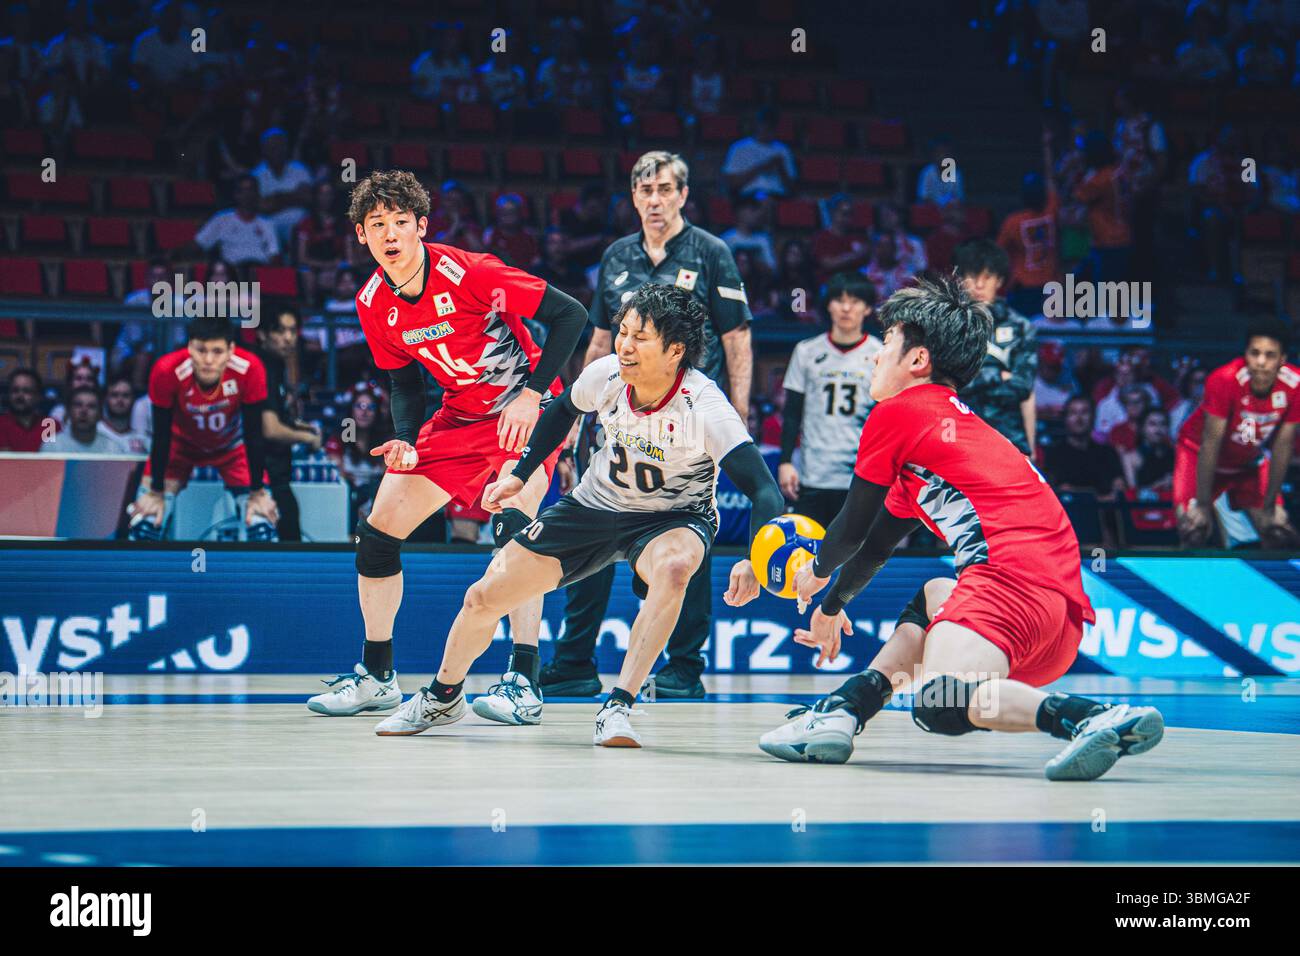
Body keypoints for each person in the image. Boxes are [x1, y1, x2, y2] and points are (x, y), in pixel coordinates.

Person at [756, 276, 1164, 781]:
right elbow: (877, 545)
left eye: (885, 345)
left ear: (918, 360)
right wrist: (833, 606)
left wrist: (814, 574)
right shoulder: (948, 436)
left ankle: (1090, 717)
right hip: (1057, 621)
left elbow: (849, 529)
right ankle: (841, 713)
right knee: (931, 596)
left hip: (1007, 588)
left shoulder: (900, 412)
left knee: (939, 703)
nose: (874, 358)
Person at [373, 285, 783, 747]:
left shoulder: (704, 407)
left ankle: (618, 706)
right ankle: (444, 695)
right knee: (482, 598)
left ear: (675, 351)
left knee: (674, 568)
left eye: (640, 337)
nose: (624, 345)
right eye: (622, 332)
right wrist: (521, 473)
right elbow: (560, 411)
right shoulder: (606, 374)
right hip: (594, 505)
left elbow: (764, 490)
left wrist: (754, 557)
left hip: (673, 516)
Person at [305, 170, 587, 722]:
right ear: (361, 235)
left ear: (421, 227)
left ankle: (523, 681)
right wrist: (406, 440)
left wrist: (532, 395)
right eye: (377, 224)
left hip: (525, 412)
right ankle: (378, 676)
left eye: (401, 223)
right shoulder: (371, 302)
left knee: (515, 535)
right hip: (458, 418)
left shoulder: (472, 273)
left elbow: (570, 314)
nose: (390, 234)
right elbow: (404, 382)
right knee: (377, 533)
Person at [539, 151, 754, 701]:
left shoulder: (712, 253)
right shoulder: (615, 256)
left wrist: (739, 419)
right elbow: (600, 341)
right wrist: (574, 428)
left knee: (686, 542)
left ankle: (683, 668)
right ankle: (573, 663)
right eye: (644, 191)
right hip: (617, 418)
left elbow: (737, 341)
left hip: (687, 427)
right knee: (591, 520)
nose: (654, 200)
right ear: (633, 197)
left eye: (664, 190)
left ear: (683, 194)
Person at [127, 316, 278, 541]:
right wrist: (156, 491)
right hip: (180, 446)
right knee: (146, 522)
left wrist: (257, 492)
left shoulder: (250, 368)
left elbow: (254, 434)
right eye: (201, 350)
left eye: (217, 351)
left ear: (230, 350)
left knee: (261, 523)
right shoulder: (166, 370)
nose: (208, 360)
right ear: (189, 348)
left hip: (232, 447)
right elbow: (161, 434)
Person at [1175, 318, 1300, 549]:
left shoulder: (1295, 385)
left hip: (1247, 460)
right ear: (1245, 355)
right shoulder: (1224, 379)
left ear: (1282, 360)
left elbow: (1283, 446)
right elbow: (1211, 444)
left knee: (1279, 533)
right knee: (1194, 530)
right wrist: (1202, 505)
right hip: (1198, 454)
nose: (1261, 362)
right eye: (1255, 353)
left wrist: (1271, 505)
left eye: (1270, 355)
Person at [779, 273, 882, 527]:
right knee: (803, 555)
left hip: (860, 476)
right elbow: (792, 412)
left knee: (855, 559)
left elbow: (888, 419)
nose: (846, 308)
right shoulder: (806, 351)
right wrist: (784, 462)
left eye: (855, 301)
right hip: (812, 474)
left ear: (868, 308)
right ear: (828, 305)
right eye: (839, 300)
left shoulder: (880, 354)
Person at [954, 239, 1038, 456]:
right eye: (972, 277)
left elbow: (1024, 387)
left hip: (1009, 437)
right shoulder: (948, 326)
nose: (979, 286)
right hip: (958, 435)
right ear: (960, 280)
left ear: (999, 280)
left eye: (987, 277)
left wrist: (1031, 447)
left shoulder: (1021, 327)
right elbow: (951, 384)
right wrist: (1000, 375)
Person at [254, 308, 322, 541]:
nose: (288, 337)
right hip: (263, 478)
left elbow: (273, 417)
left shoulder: (275, 364)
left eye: (292, 331)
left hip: (272, 475)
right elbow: (270, 429)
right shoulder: (262, 367)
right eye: (280, 330)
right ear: (262, 334)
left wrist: (299, 426)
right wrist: (308, 438)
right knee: (288, 539)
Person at [1041, 395, 1127, 500]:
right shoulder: (1054, 453)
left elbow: (1118, 486)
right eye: (1073, 413)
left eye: (1084, 412)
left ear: (1093, 417)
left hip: (1105, 513)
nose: (1079, 419)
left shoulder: (1108, 453)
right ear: (1066, 418)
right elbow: (1061, 490)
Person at [40, 386, 124, 454]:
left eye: (91, 406)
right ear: (69, 411)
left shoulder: (113, 449)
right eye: (78, 405)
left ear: (100, 414)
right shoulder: (52, 446)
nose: (84, 411)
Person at [99, 375, 147, 454]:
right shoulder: (95, 432)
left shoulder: (142, 438)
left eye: (126, 395)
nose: (120, 400)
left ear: (133, 399)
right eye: (114, 395)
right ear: (105, 399)